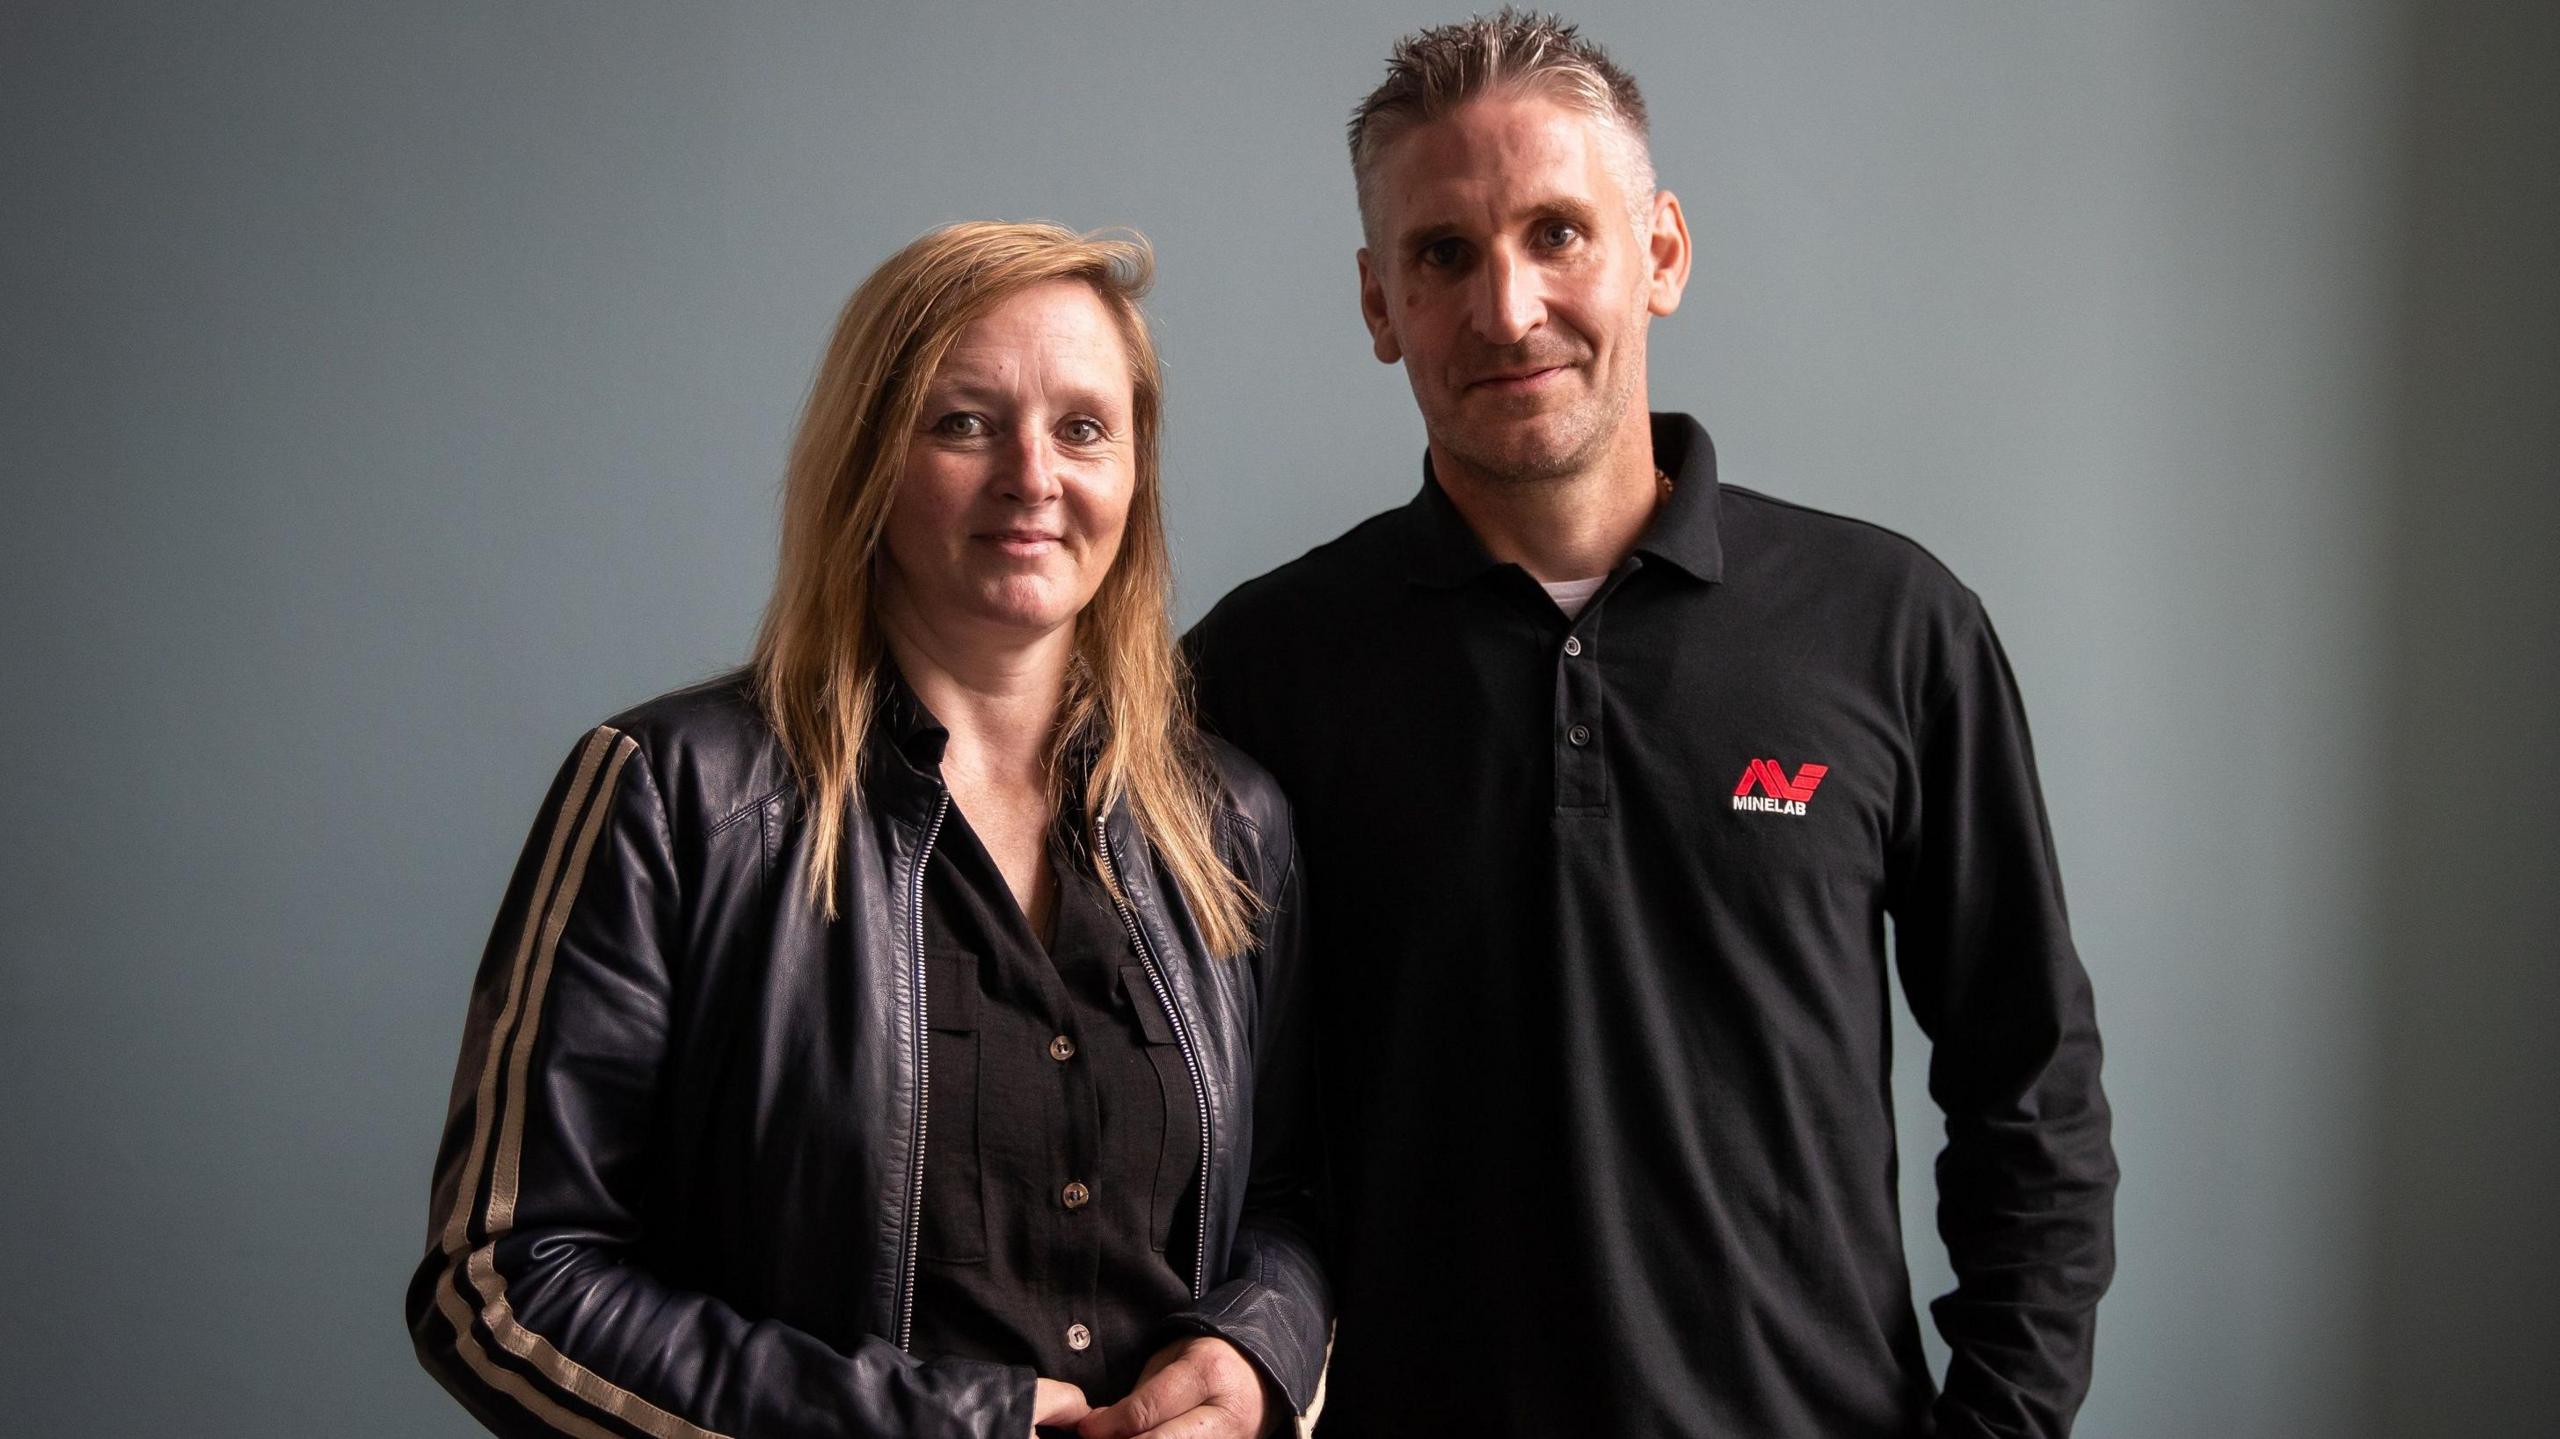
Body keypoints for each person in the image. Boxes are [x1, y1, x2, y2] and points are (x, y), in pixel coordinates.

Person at [1186, 12, 2116, 1438]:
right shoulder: (1262, 669)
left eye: (1558, 232)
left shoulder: (1890, 624)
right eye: (1443, 255)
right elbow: (1209, 1129)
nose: (1505, 308)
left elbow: (2029, 1082)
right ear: (1380, 305)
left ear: (1660, 253)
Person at [407, 222, 1328, 1439]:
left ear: (1135, 474)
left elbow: (1296, 1191)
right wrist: (929, 1424)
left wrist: (1252, 1353)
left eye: (1084, 428)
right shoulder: (670, 796)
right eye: (964, 422)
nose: (1032, 476)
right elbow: (503, 1283)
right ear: (870, 458)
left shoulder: (1231, 819)